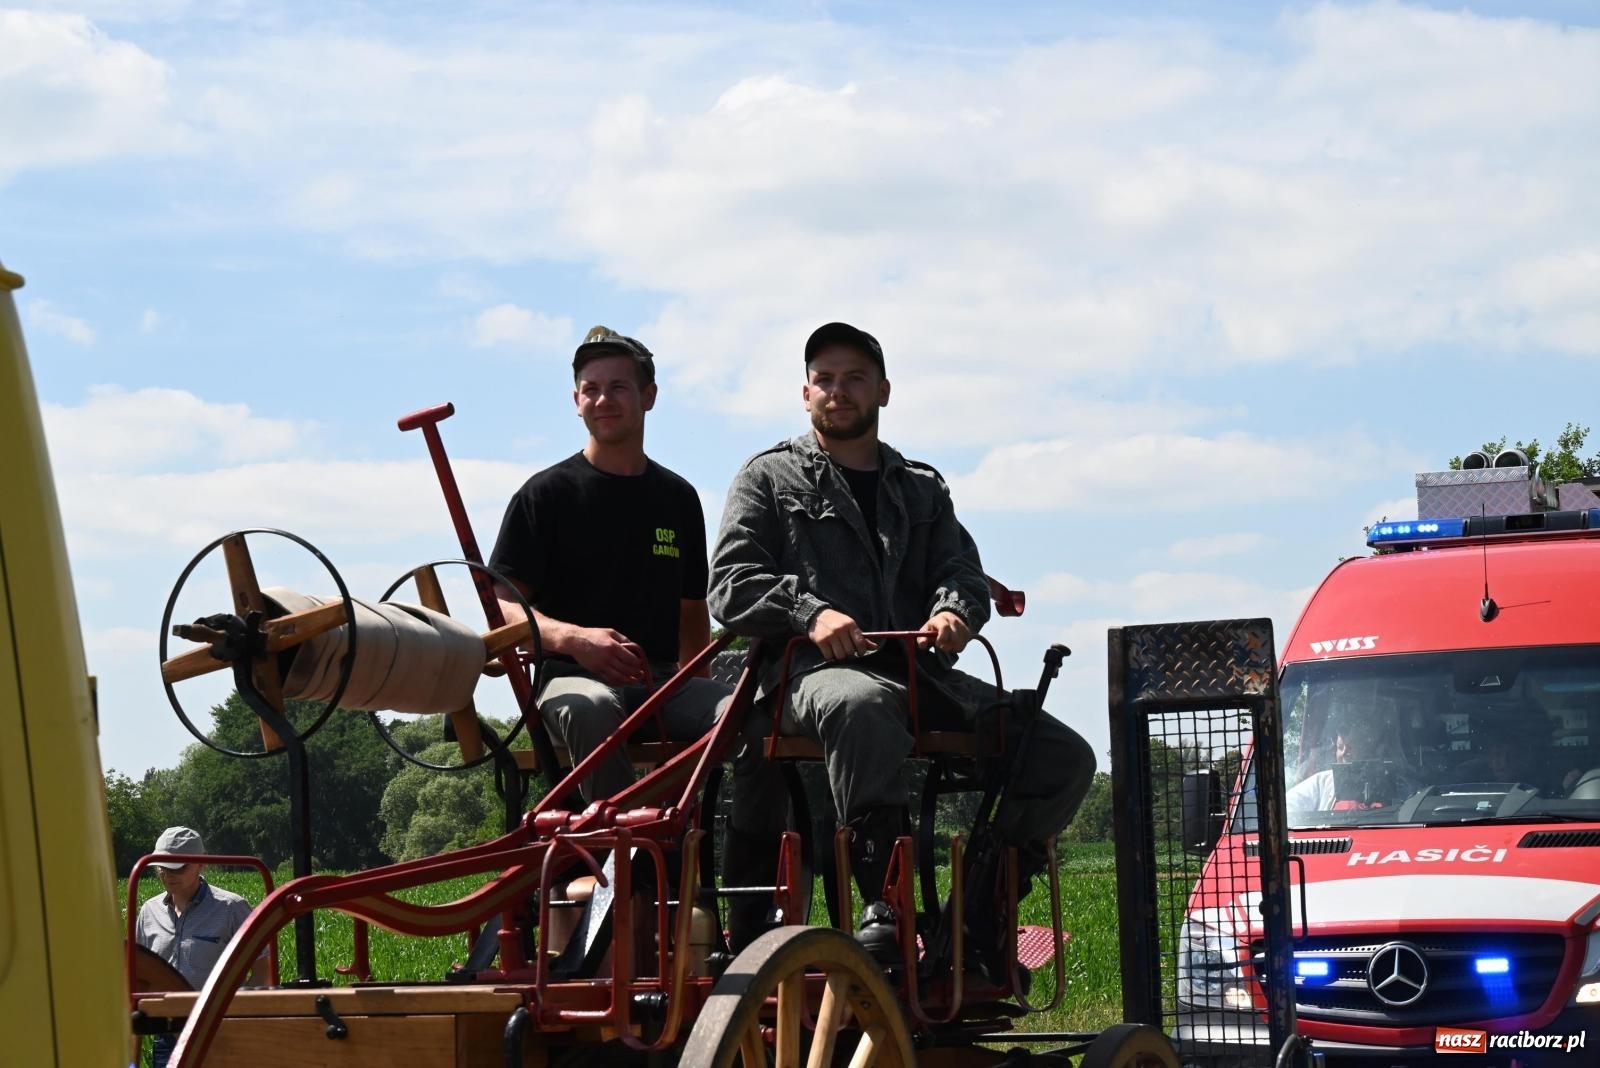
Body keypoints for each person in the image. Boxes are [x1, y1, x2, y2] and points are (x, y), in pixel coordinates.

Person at [708, 321, 1096, 975]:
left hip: (923, 677)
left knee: (1062, 758)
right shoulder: (767, 479)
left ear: (883, 391)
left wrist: (954, 611)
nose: (839, 391)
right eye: (825, 379)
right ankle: (885, 909)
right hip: (810, 675)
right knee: (858, 704)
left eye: (855, 378)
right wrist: (811, 613)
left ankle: (974, 920)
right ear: (805, 394)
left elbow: (963, 573)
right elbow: (729, 585)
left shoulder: (921, 487)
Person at [489, 325, 728, 805]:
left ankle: (708, 847)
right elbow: (501, 608)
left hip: (662, 681)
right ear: (575, 401)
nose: (603, 400)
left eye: (618, 387)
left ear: (649, 396)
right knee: (591, 707)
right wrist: (575, 640)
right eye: (591, 390)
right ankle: (624, 861)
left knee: (742, 709)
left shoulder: (678, 498)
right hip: (567, 677)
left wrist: (692, 696)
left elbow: (691, 613)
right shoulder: (545, 495)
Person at [134, 826, 262, 1068]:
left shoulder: (231, 908)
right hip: (166, 1032)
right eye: (161, 867)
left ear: (201, 865)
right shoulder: (148, 911)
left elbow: (263, 968)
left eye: (177, 868)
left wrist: (236, 1013)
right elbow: (139, 973)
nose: (167, 874)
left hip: (218, 1031)